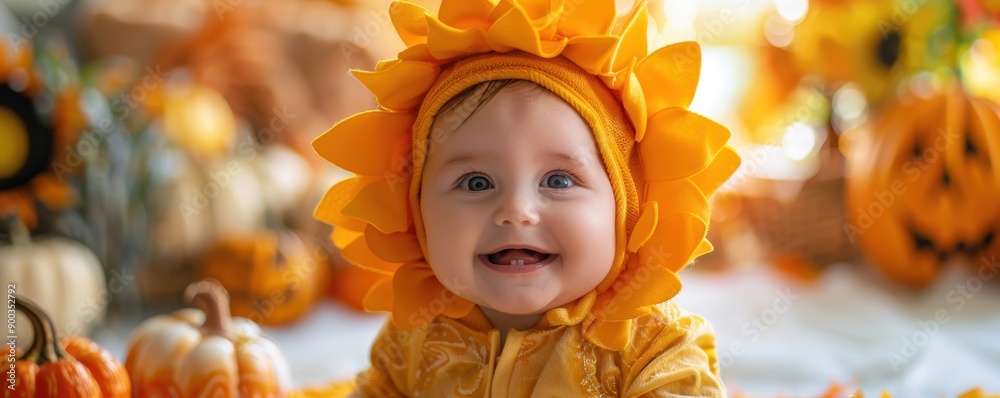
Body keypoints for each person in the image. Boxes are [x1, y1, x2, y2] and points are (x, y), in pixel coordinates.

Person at [311, 0, 741, 396]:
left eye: (558, 180)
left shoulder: (653, 350)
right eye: (476, 183)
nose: (516, 211)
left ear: (626, 210)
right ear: (416, 213)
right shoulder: (415, 337)